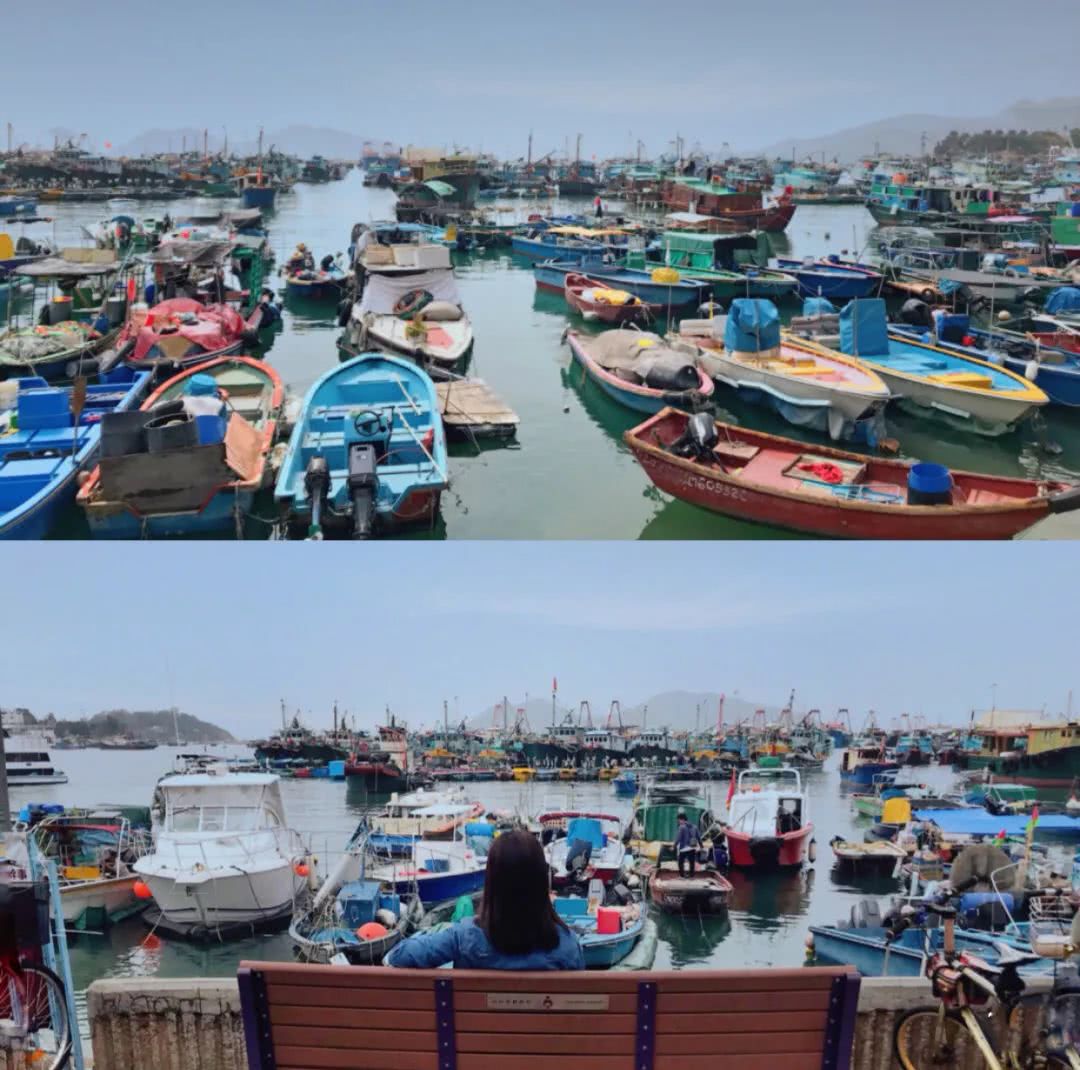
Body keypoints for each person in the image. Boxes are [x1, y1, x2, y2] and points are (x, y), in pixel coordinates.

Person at [387, 829, 584, 970]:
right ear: (541, 881)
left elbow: (399, 956)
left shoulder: (464, 937)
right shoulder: (567, 945)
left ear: (492, 881)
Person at [674, 811, 702, 878]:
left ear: (682, 819)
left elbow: (678, 838)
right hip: (692, 847)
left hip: (683, 848)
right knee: (692, 862)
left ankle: (682, 876)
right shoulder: (694, 826)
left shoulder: (682, 827)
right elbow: (698, 837)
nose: (678, 822)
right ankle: (691, 876)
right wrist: (701, 846)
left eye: (679, 820)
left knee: (680, 862)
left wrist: (674, 846)